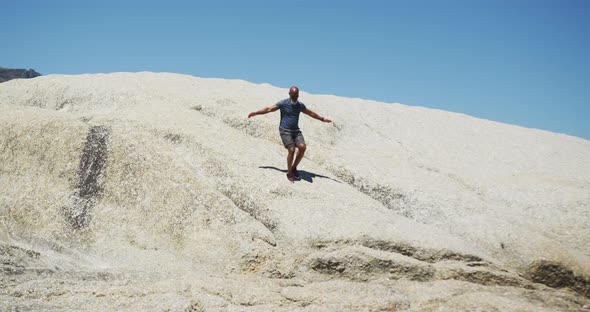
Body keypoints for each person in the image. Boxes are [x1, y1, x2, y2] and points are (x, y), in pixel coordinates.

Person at [248, 86, 332, 182]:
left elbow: (310, 113)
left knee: (302, 147)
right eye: (293, 95)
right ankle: (289, 172)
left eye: (296, 95)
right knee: (291, 150)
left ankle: (294, 167)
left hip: (296, 131)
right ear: (289, 94)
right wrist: (256, 113)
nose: (295, 97)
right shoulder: (283, 103)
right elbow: (269, 109)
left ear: (298, 95)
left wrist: (322, 119)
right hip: (285, 130)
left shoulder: (300, 105)